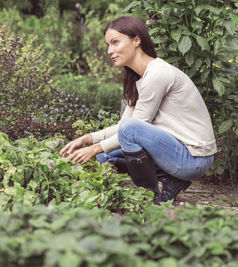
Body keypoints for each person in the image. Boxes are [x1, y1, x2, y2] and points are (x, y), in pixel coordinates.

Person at [60, 16, 217, 204]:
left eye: (115, 42)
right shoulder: (137, 78)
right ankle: (170, 181)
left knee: (115, 140)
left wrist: (94, 148)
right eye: (108, 45)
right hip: (173, 150)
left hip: (193, 159)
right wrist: (88, 139)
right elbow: (123, 127)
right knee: (104, 155)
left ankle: (152, 196)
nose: (110, 51)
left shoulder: (157, 74)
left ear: (136, 40)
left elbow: (132, 129)